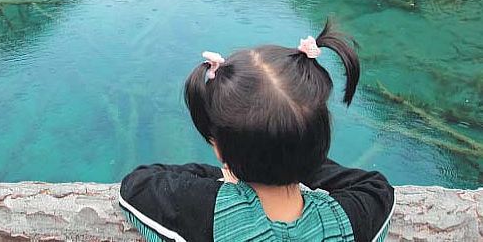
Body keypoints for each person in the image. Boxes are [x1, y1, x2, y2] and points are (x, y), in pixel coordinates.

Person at [120, 21, 395, 242]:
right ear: (319, 144)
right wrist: (296, 160)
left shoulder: (207, 210)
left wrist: (224, 177)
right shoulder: (347, 220)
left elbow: (136, 185)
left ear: (218, 148)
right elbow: (377, 186)